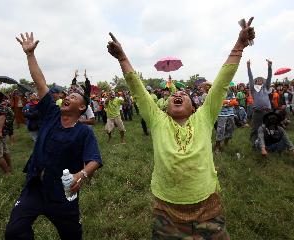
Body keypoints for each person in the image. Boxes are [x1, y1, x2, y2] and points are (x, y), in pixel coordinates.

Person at [107, 16, 255, 239]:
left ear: (194, 108)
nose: (177, 94)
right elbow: (137, 89)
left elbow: (222, 82)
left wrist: (240, 45)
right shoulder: (158, 121)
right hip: (167, 209)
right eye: (174, 94)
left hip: (207, 205)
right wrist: (122, 57)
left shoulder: (204, 117)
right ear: (164, 107)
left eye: (183, 95)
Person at [5, 32, 102, 240]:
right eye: (67, 95)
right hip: (35, 188)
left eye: (73, 96)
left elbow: (94, 160)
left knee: (72, 236)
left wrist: (81, 175)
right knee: (14, 231)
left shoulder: (84, 132)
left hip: (62, 195)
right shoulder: (51, 113)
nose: (67, 97)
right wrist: (30, 55)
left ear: (83, 107)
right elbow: (40, 83)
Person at [247, 59, 272, 146]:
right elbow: (250, 78)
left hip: (267, 111)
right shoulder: (253, 89)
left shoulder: (266, 88)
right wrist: (248, 67)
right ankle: (254, 144)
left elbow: (269, 77)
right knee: (255, 129)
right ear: (255, 82)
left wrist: (269, 67)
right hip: (257, 112)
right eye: (258, 79)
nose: (260, 80)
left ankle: (265, 144)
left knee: (267, 127)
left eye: (261, 79)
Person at [214, 82, 238, 153]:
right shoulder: (219, 92)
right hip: (221, 114)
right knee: (220, 129)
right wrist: (229, 102)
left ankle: (225, 143)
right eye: (230, 87)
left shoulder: (232, 92)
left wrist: (227, 102)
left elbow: (234, 102)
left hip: (230, 113)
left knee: (231, 128)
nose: (230, 89)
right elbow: (218, 101)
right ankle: (217, 146)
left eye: (231, 87)